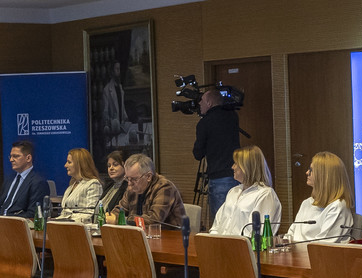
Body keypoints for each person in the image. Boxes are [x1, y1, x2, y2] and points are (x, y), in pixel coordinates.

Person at [208, 146, 282, 237]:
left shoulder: (265, 194)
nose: (232, 167)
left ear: (247, 167)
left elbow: (258, 234)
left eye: (236, 164)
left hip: (243, 245)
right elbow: (216, 226)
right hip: (221, 243)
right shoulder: (233, 191)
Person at [286, 151, 357, 244]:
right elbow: (290, 234)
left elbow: (322, 246)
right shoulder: (306, 203)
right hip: (297, 251)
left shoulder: (338, 207)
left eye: (311, 170)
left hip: (318, 253)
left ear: (324, 176)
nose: (307, 172)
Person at [192, 89, 241, 218]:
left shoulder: (205, 123)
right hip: (237, 175)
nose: (199, 104)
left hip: (219, 177)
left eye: (202, 101)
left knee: (220, 220)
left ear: (209, 103)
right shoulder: (233, 116)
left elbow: (198, 154)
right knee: (235, 218)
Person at [118, 153, 183, 229]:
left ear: (148, 176)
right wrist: (112, 216)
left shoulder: (165, 187)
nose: (129, 183)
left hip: (171, 234)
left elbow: (154, 220)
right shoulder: (133, 187)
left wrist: (124, 219)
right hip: (141, 233)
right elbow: (121, 209)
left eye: (134, 179)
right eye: (127, 178)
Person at [0, 140, 51, 218]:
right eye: (10, 156)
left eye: (16, 156)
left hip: (17, 222)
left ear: (28, 158)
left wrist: (8, 219)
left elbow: (33, 214)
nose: (11, 160)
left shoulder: (38, 182)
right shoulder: (9, 179)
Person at [56, 148, 104, 223]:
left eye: (69, 162)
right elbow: (64, 213)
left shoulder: (93, 184)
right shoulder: (72, 185)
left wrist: (66, 221)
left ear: (79, 164)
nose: (65, 165)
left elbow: (89, 214)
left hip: (79, 227)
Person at [99, 61, 127, 143]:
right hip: (113, 129)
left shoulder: (120, 87)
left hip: (122, 127)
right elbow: (105, 112)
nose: (118, 71)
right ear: (112, 71)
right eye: (116, 69)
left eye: (119, 69)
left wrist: (125, 118)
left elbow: (122, 106)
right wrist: (113, 124)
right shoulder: (107, 90)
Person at [97, 150, 128, 216]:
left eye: (115, 165)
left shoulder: (128, 188)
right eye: (109, 166)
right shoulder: (109, 186)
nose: (111, 168)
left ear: (125, 166)